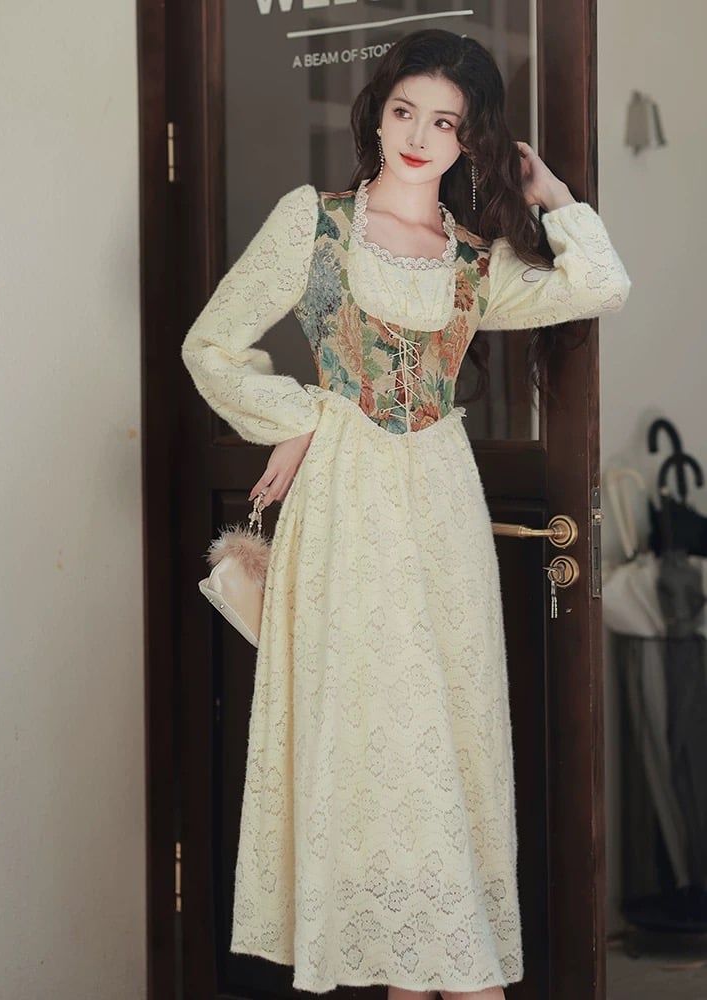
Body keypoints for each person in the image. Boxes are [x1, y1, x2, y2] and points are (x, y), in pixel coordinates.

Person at [181, 28, 631, 1000]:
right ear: (376, 115)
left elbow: (600, 286)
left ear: (473, 140)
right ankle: (432, 972)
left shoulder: (473, 263)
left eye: (447, 123)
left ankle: (433, 968)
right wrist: (304, 418)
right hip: (345, 509)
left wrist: (553, 197)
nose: (420, 137)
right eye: (404, 112)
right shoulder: (315, 226)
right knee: (369, 737)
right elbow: (210, 346)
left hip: (441, 509)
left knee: (444, 739)